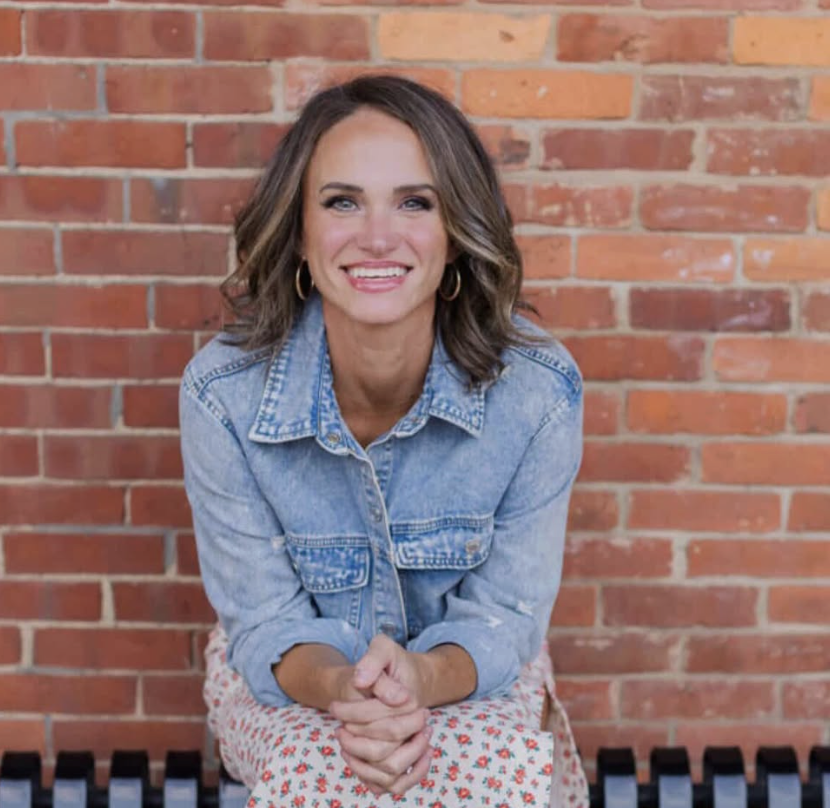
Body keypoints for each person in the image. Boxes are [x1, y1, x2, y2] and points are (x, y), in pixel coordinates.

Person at [180, 75, 588, 807]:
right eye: (342, 202)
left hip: (467, 666)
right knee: (328, 769)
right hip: (293, 674)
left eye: (414, 202)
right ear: (299, 232)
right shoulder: (222, 394)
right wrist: (350, 688)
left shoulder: (536, 393)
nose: (376, 236)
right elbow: (266, 621)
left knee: (474, 769)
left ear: (456, 232)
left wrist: (419, 680)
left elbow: (505, 618)